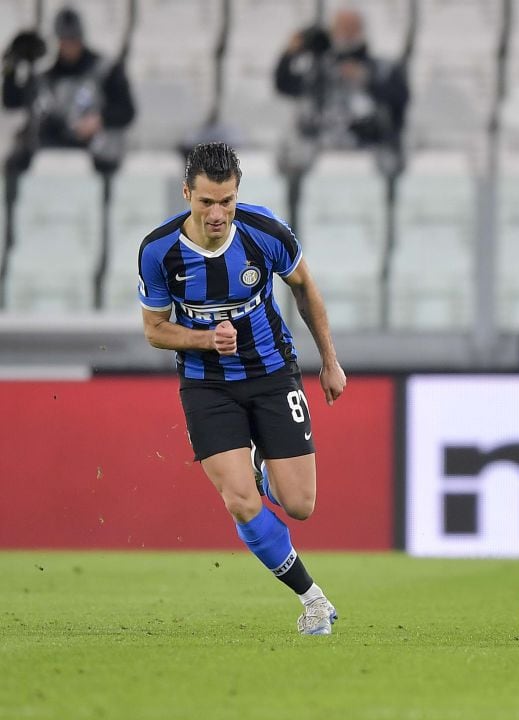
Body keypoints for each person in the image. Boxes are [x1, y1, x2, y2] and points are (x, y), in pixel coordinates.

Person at [138, 142, 347, 636]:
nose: (217, 213)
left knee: (300, 504)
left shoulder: (264, 232)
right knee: (240, 499)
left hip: (273, 372)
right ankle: (312, 599)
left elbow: (305, 287)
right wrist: (205, 339)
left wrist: (330, 362)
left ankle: (259, 462)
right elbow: (154, 330)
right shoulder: (159, 250)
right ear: (187, 192)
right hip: (206, 384)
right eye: (207, 201)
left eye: (226, 201)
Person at [1, 7, 136, 177]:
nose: (69, 46)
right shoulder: (49, 75)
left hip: (96, 149)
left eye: (73, 40)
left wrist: (99, 120)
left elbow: (127, 111)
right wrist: (10, 68)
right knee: (19, 155)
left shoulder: (105, 70)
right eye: (64, 40)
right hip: (57, 141)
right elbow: (12, 101)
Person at [274, 7, 408, 177]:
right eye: (342, 27)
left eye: (352, 27)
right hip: (318, 147)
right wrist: (292, 50)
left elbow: (400, 98)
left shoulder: (379, 69)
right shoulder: (317, 72)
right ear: (333, 31)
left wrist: (367, 81)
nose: (347, 33)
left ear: (362, 31)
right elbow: (284, 84)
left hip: (368, 148)